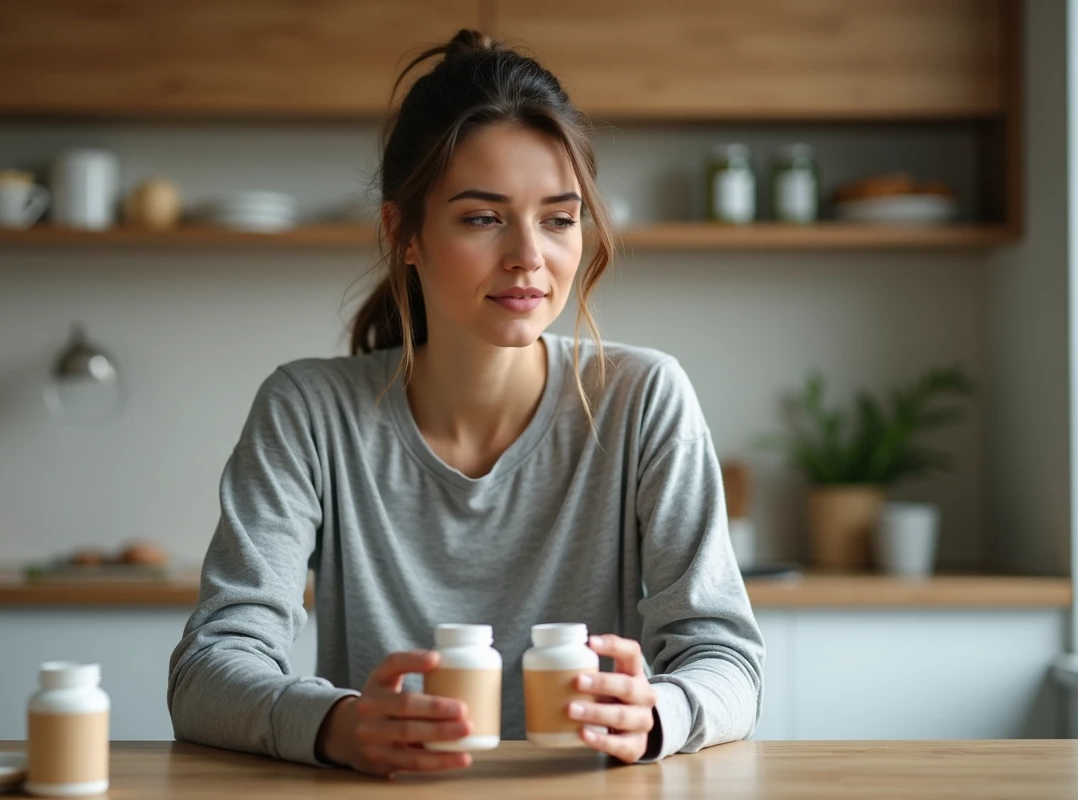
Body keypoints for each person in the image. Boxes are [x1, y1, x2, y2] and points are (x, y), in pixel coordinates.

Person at [168, 29, 764, 778]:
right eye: (483, 218)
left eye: (558, 218)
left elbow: (727, 660)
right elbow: (209, 668)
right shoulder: (308, 411)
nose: (528, 256)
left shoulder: (643, 398)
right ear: (403, 233)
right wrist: (339, 725)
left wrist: (660, 714)